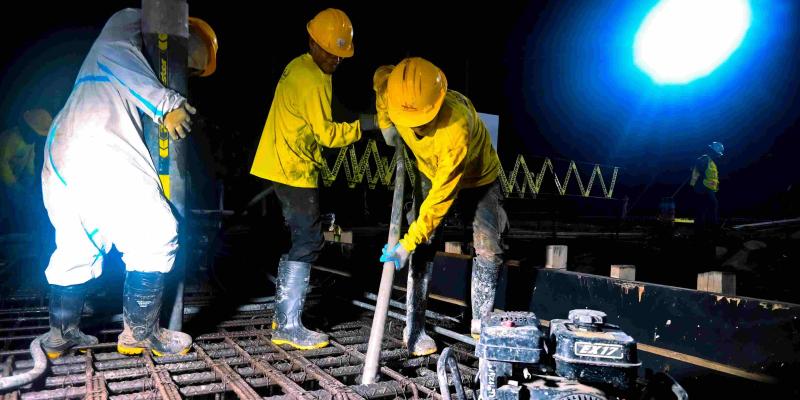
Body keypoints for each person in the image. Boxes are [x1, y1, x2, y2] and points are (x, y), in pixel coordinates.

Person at [39, 8, 218, 359]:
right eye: (192, 65)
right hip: (100, 146)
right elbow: (117, 54)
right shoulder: (126, 29)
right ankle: (140, 332)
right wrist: (166, 103)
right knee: (156, 230)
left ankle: (60, 335)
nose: (190, 73)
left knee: (79, 244)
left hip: (64, 154)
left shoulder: (99, 76)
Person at [250, 8, 376, 350]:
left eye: (340, 54)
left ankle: (283, 318)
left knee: (304, 236)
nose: (336, 59)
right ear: (312, 42)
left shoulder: (306, 65)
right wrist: (368, 125)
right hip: (292, 166)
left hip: (283, 159)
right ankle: (288, 326)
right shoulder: (311, 79)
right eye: (330, 52)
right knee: (308, 240)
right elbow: (328, 134)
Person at [375, 57, 508, 355]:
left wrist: (406, 243)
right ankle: (415, 327)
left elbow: (439, 200)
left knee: (489, 246)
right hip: (428, 169)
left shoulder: (455, 129)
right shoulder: (395, 93)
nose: (416, 129)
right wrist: (386, 124)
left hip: (478, 176)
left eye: (422, 123)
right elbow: (380, 77)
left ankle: (482, 325)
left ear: (436, 106)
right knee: (424, 246)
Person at [0, 108, 52, 234]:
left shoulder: (29, 142)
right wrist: (14, 186)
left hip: (13, 181)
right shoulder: (10, 139)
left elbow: (30, 160)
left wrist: (29, 182)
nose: (38, 137)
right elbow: (2, 164)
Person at [690, 142, 723, 232]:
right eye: (717, 154)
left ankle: (700, 228)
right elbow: (697, 174)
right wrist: (695, 186)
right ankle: (713, 226)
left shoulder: (710, 161)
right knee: (712, 205)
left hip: (707, 188)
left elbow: (712, 177)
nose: (718, 156)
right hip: (704, 187)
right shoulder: (704, 159)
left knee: (703, 207)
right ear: (713, 151)